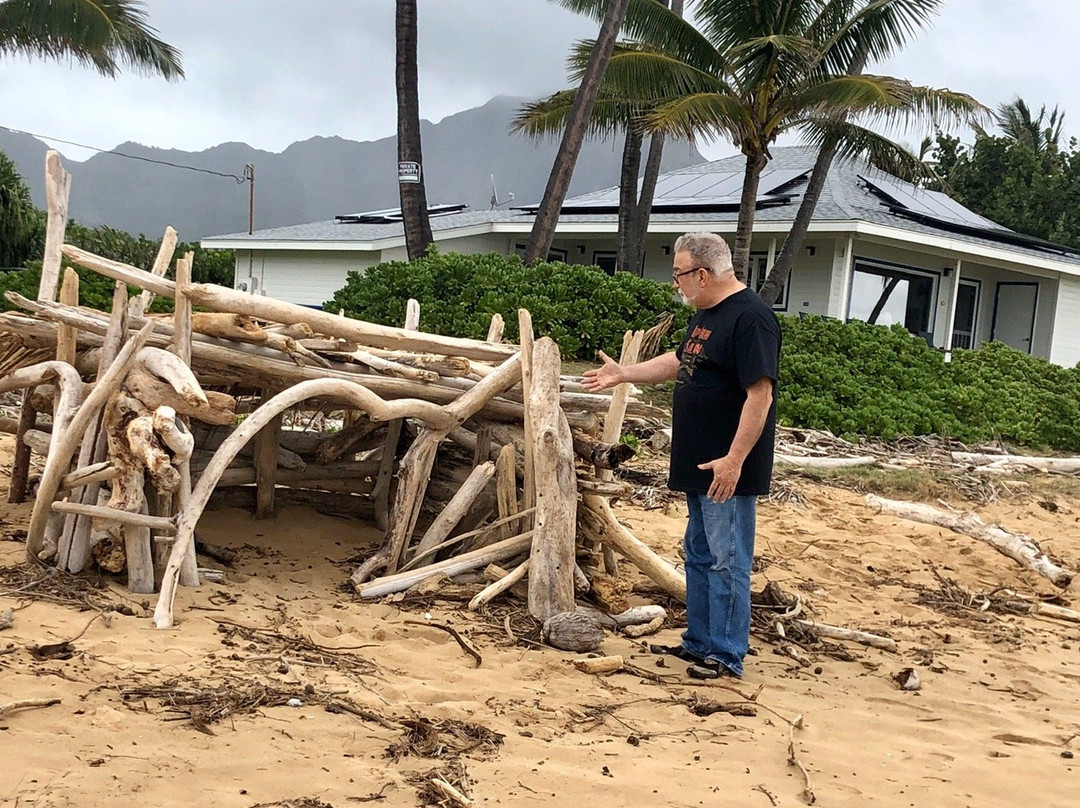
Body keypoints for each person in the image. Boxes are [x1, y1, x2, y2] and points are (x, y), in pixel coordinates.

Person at [582, 232, 781, 679]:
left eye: (679, 275)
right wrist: (624, 374)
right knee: (698, 551)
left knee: (728, 557)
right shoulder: (707, 315)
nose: (677, 284)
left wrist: (734, 460)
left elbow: (760, 395)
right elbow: (681, 361)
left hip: (726, 465)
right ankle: (699, 642)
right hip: (696, 460)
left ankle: (726, 654)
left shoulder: (752, 319)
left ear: (703, 274)